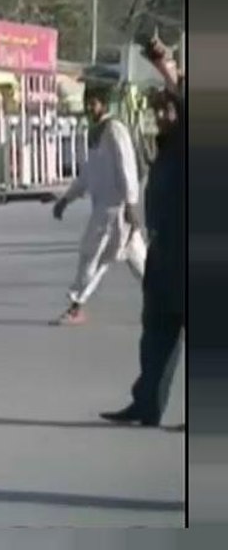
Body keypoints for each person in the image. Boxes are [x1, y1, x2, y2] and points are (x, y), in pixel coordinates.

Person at [101, 34, 185, 429]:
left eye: (167, 109)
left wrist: (162, 62)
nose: (160, 116)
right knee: (155, 334)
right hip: (165, 254)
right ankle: (147, 403)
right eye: (157, 110)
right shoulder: (167, 148)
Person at [50, 81, 147, 326]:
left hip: (117, 212)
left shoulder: (115, 129)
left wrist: (131, 205)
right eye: (87, 103)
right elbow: (87, 176)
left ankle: (76, 307)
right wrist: (66, 199)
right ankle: (172, 301)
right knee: (131, 263)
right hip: (105, 211)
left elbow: (128, 167)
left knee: (93, 257)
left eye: (92, 103)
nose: (88, 108)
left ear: (104, 104)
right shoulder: (96, 133)